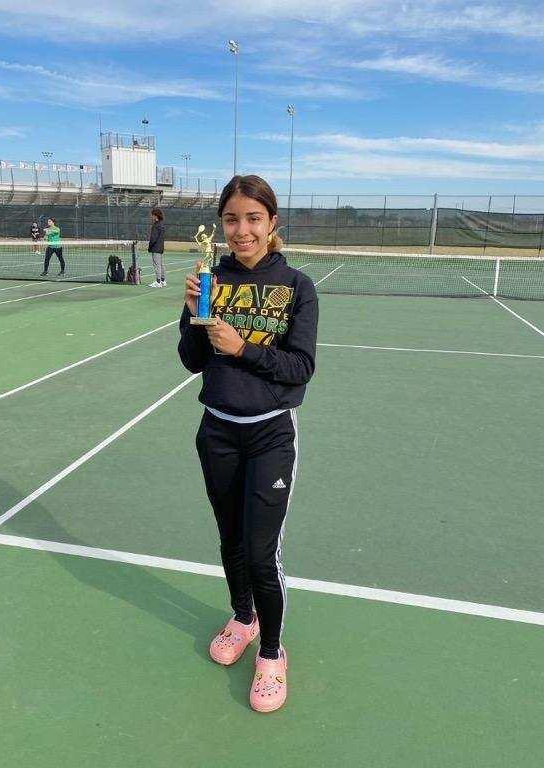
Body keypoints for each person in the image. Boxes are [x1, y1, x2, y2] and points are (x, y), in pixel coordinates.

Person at [178, 175, 319, 713]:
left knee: (261, 552)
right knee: (230, 540)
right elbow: (192, 360)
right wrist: (194, 314)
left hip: (269, 435)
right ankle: (242, 616)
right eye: (232, 219)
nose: (241, 230)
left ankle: (272, 652)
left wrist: (242, 349)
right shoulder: (210, 277)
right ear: (221, 225)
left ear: (271, 223)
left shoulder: (298, 287)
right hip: (216, 431)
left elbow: (301, 368)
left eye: (253, 219)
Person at [148, 207, 166, 287]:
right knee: (161, 264)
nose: (151, 217)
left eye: (152, 215)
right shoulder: (162, 224)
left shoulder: (156, 225)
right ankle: (163, 280)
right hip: (161, 247)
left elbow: (153, 238)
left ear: (155, 216)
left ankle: (158, 282)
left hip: (156, 248)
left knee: (157, 265)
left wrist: (150, 247)